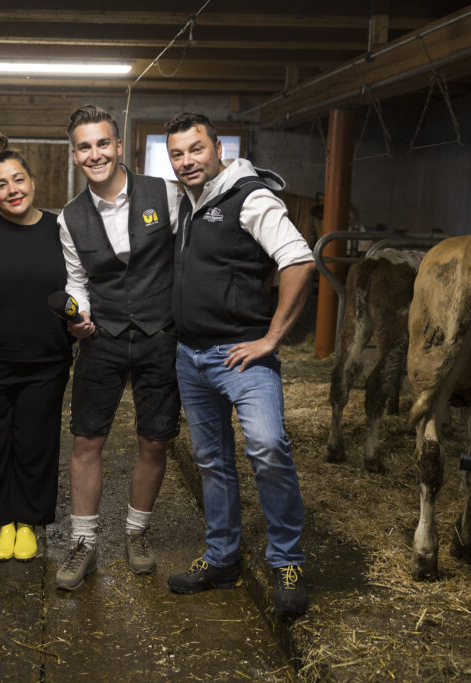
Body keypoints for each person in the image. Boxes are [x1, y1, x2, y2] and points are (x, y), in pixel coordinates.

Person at [162, 111, 314, 618]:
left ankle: (288, 560)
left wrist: (271, 337)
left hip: (241, 357)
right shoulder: (187, 201)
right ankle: (222, 557)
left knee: (268, 448)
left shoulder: (250, 196)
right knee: (211, 461)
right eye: (178, 153)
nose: (187, 161)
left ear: (218, 149)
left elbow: (298, 259)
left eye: (196, 150)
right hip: (191, 356)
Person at [54, 105, 181, 591]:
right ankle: (84, 542)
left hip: (158, 336)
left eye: (102, 143)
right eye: (84, 147)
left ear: (119, 145)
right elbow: (77, 279)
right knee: (87, 441)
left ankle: (137, 532)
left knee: (154, 439)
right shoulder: (70, 216)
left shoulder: (164, 194)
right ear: (74, 154)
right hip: (101, 338)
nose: (95, 154)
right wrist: (79, 313)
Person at [0, 131, 74, 562]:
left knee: (35, 441)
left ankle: (27, 521)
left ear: (33, 180)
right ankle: (1, 521)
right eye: (2, 184)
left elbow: (79, 283)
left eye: (19, 179)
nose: (13, 190)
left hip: (45, 359)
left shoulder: (58, 228)